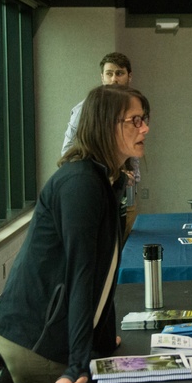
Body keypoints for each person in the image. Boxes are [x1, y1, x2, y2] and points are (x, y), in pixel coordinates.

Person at [0, 84, 150, 383]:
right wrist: (78, 363)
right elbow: (80, 274)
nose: (144, 129)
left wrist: (103, 339)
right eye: (135, 121)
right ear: (106, 126)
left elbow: (103, 273)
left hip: (43, 332)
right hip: (34, 343)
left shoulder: (106, 180)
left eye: (145, 120)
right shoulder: (81, 185)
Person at [61, 52, 140, 241]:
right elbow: (67, 152)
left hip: (125, 193)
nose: (114, 79)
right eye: (109, 74)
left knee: (127, 249)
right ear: (102, 77)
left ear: (129, 76)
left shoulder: (134, 107)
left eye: (119, 73)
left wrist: (133, 178)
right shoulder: (85, 109)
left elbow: (133, 147)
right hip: (95, 190)